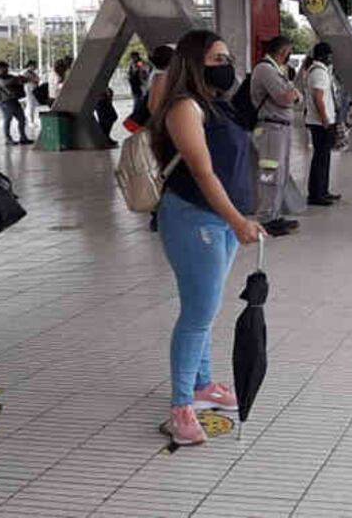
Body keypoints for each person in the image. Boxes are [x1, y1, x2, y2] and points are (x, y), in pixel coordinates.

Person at [150, 29, 264, 446]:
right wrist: (236, 220)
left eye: (228, 57)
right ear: (194, 63)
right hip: (194, 218)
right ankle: (181, 406)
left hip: (222, 219)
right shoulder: (184, 107)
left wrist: (241, 216)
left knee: (207, 307)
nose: (226, 65)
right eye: (217, 59)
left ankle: (201, 385)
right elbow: (202, 171)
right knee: (198, 313)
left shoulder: (218, 106)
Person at [250, 36, 302, 236]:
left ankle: (274, 213)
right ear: (283, 51)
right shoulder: (265, 69)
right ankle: (265, 217)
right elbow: (285, 97)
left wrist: (294, 95)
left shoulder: (276, 70)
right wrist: (293, 95)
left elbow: (295, 96)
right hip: (271, 129)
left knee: (280, 173)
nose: (289, 55)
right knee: (269, 174)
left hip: (281, 129)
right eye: (289, 51)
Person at [304, 41, 342, 209]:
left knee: (324, 157)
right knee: (320, 158)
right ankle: (316, 194)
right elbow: (318, 98)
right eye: (329, 55)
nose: (331, 59)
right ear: (324, 55)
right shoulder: (318, 72)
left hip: (321, 120)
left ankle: (323, 191)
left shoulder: (320, 70)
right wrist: (325, 118)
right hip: (320, 122)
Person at [0, 62, 32, 146]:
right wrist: (15, 79)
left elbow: (23, 81)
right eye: (3, 68)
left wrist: (21, 79)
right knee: (8, 120)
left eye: (6, 68)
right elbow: (3, 83)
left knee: (22, 119)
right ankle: (8, 138)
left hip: (14, 100)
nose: (5, 70)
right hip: (4, 101)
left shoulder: (10, 76)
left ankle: (23, 137)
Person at [21, 60, 41, 127]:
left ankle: (27, 119)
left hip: (34, 90)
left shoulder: (33, 73)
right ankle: (31, 121)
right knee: (30, 105)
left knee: (31, 105)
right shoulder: (25, 73)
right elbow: (23, 81)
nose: (35, 67)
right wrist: (33, 80)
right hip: (29, 89)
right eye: (33, 65)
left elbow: (37, 80)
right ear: (30, 65)